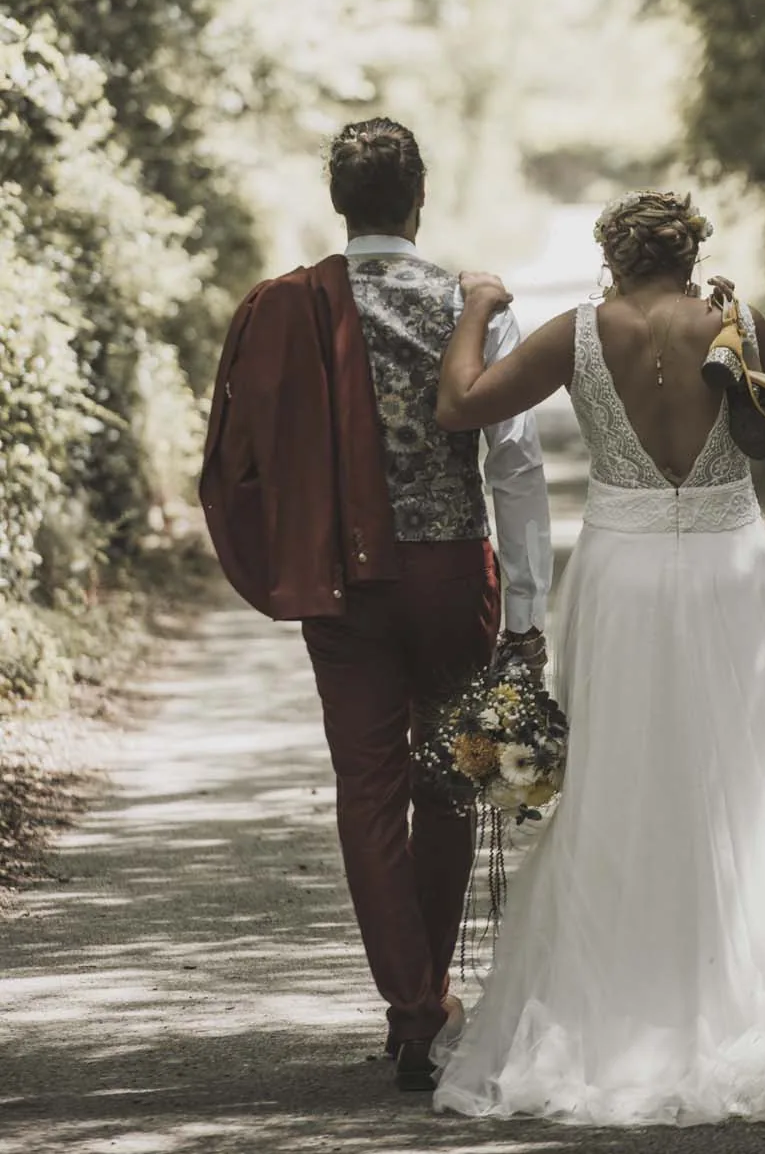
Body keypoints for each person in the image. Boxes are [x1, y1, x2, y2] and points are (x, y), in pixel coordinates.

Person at [430, 189, 765, 1129]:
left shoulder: (575, 332)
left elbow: (459, 403)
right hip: (731, 574)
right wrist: (739, 351)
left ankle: (628, 1006)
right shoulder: (734, 322)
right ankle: (755, 996)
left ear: (611, 257)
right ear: (688, 252)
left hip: (624, 577)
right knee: (747, 778)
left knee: (625, 785)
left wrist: (476, 307)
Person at [201, 118, 552, 1094]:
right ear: (417, 201)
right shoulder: (468, 303)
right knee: (447, 782)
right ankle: (431, 989)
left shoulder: (293, 304)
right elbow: (514, 465)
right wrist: (525, 604)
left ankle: (412, 1004)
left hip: (338, 576)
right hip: (451, 575)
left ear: (338, 203)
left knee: (367, 791)